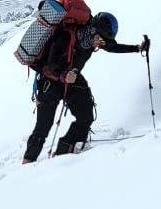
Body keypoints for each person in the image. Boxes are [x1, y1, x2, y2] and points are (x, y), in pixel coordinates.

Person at [22, 12, 150, 163]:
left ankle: (65, 154)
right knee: (43, 127)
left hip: (72, 79)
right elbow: (49, 67)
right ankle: (27, 165)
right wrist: (63, 75)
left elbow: (112, 46)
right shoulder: (66, 37)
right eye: (101, 38)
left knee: (86, 116)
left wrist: (137, 48)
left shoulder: (92, 39)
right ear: (94, 30)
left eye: (103, 39)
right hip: (50, 82)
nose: (101, 43)